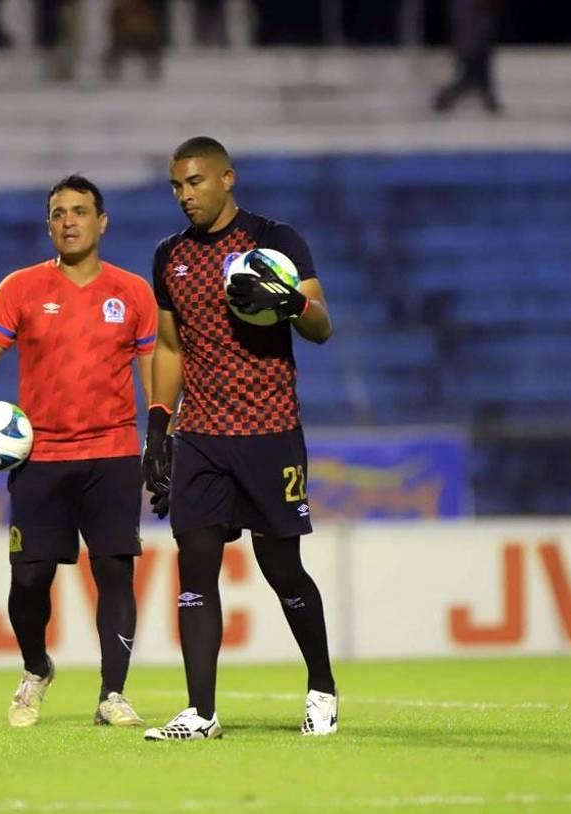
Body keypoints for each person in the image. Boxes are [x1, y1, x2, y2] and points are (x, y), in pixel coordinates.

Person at [141, 136, 338, 741]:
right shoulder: (169, 255)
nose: (185, 195)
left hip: (269, 431)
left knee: (282, 567)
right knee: (195, 568)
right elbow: (170, 346)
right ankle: (201, 713)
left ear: (227, 179)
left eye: (195, 181)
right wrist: (157, 426)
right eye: (177, 186)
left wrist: (288, 303)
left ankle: (322, 688)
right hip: (201, 434)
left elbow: (322, 327)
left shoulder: (275, 241)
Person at [0, 174, 157, 729]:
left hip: (112, 453)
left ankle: (113, 694)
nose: (69, 221)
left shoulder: (133, 292)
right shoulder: (20, 287)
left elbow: (153, 370)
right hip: (40, 458)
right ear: (48, 225)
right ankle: (37, 668)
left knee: (115, 573)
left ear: (102, 222)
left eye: (80, 211)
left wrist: (162, 434)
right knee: (29, 579)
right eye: (59, 213)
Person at [432, 0, 502, 114]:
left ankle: (487, 96)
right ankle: (450, 96)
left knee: (478, 66)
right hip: (471, 23)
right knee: (473, 68)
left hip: (477, 20)